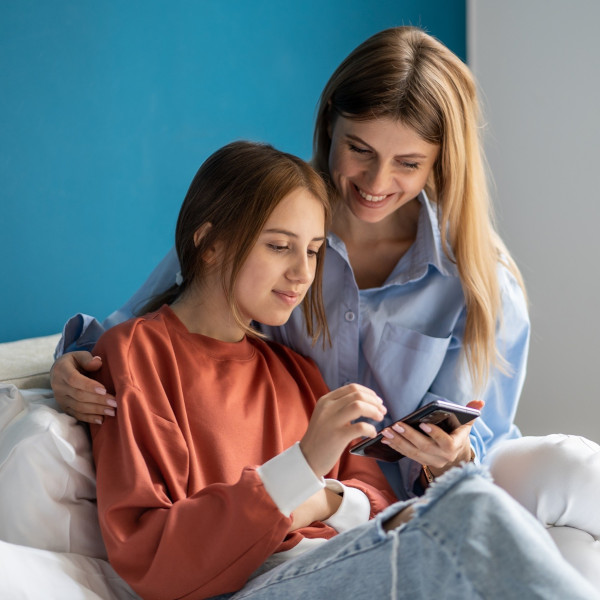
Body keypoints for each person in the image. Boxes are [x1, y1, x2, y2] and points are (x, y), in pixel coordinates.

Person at [51, 26, 600, 586]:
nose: (376, 181)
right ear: (330, 124)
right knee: (492, 529)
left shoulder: (477, 280)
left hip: (425, 483)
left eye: (408, 163)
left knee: (575, 476)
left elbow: (428, 469)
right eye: (359, 149)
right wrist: (75, 362)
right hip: (319, 521)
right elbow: (163, 311)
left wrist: (434, 463)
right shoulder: (262, 219)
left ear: (439, 162)